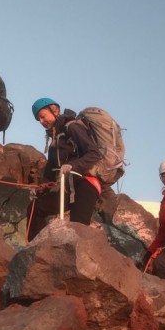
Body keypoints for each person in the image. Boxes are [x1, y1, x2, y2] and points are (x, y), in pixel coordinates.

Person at [26, 98, 102, 241]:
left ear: (54, 111)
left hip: (85, 184)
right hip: (66, 187)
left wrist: (73, 166)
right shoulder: (55, 137)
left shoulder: (72, 127)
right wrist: (42, 186)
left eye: (43, 116)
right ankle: (35, 251)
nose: (42, 122)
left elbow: (94, 153)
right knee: (36, 207)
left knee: (77, 229)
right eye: (39, 119)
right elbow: (50, 168)